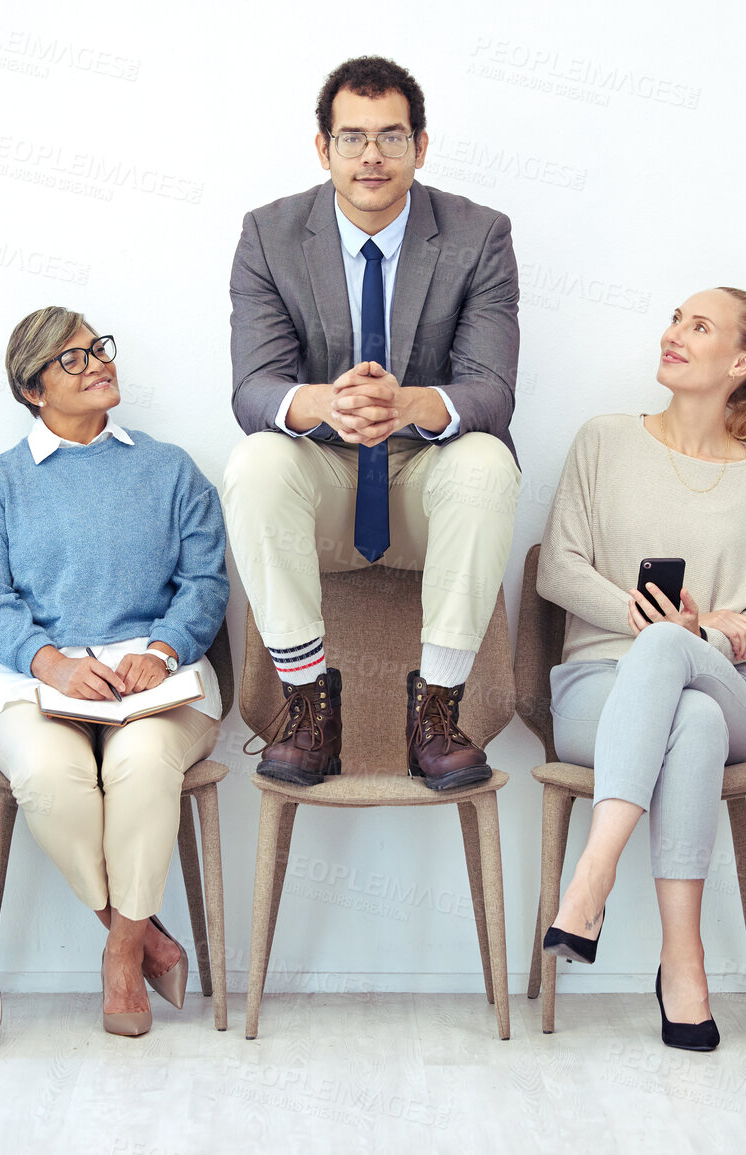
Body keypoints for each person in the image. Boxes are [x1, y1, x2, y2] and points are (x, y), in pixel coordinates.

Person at [223, 55, 521, 790]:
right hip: (324, 477)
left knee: (486, 458)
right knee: (254, 461)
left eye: (391, 138)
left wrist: (409, 404)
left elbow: (490, 390)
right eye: (352, 138)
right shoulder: (268, 234)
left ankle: (438, 710)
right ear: (321, 148)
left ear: (421, 146)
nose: (371, 158)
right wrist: (325, 402)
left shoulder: (478, 234)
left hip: (425, 478)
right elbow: (253, 388)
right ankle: (307, 707)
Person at [537, 288, 746, 1051]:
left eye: (698, 326)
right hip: (597, 689)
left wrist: (699, 633)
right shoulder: (603, 440)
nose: (673, 334)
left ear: (740, 361)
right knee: (690, 717)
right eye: (674, 318)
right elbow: (557, 568)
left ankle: (592, 876)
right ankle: (683, 961)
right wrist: (640, 616)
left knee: (679, 667)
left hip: (724, 680)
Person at [0, 307, 229, 1038]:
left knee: (143, 762)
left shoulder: (170, 468)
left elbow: (204, 582)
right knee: (48, 775)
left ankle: (118, 952)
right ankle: (143, 935)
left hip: (160, 675)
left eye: (97, 349)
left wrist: (163, 650)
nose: (98, 364)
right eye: (71, 360)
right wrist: (51, 662)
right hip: (31, 674)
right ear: (31, 389)